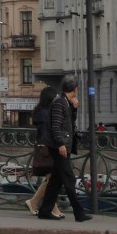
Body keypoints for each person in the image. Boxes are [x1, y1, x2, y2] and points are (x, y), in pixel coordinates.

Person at [37, 75, 91, 222]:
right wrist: (61, 144)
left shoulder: (65, 102)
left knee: (56, 180)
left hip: (61, 145)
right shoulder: (59, 102)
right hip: (58, 146)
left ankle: (45, 210)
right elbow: (56, 126)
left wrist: (74, 109)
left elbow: (69, 123)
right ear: (75, 89)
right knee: (69, 179)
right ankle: (79, 213)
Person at [26, 86, 63, 218]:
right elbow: (48, 131)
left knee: (51, 179)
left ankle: (35, 202)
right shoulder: (44, 113)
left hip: (45, 147)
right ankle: (50, 208)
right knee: (51, 179)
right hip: (46, 148)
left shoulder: (42, 111)